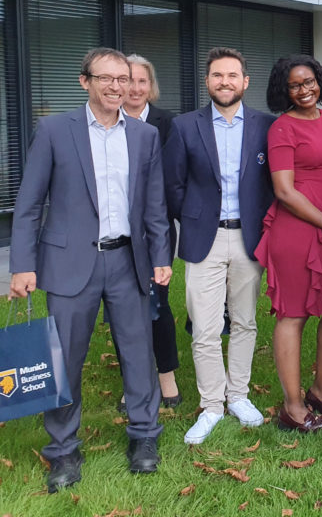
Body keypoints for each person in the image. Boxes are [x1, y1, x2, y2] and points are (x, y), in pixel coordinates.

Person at [10, 48, 172, 492]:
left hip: (129, 261)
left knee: (138, 355)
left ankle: (144, 438)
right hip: (68, 263)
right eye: (107, 78)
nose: (117, 86)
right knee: (65, 360)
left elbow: (155, 206)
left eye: (124, 78)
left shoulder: (143, 136)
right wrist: (22, 265)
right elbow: (28, 205)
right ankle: (63, 450)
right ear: (86, 82)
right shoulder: (54, 130)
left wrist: (161, 256)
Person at [163, 47, 275, 445]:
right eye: (217, 75)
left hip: (249, 238)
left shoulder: (266, 125)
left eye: (232, 75)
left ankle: (239, 396)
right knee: (205, 328)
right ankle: (212, 404)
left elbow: (270, 184)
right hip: (203, 238)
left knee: (245, 321)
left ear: (245, 82)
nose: (224, 82)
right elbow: (173, 185)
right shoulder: (184, 126)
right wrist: (194, 217)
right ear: (207, 81)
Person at [255, 54, 322, 432]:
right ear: (284, 91)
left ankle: (320, 390)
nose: (304, 90)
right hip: (300, 229)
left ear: (320, 81)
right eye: (295, 85)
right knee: (294, 314)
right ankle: (293, 407)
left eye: (309, 81)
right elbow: (284, 191)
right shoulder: (282, 129)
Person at [117, 54, 179, 409]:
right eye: (128, 81)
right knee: (125, 306)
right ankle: (135, 381)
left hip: (155, 229)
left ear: (150, 86)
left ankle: (166, 377)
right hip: (115, 232)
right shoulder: (107, 122)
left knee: (158, 303)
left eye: (142, 81)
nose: (135, 89)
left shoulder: (166, 123)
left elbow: (168, 183)